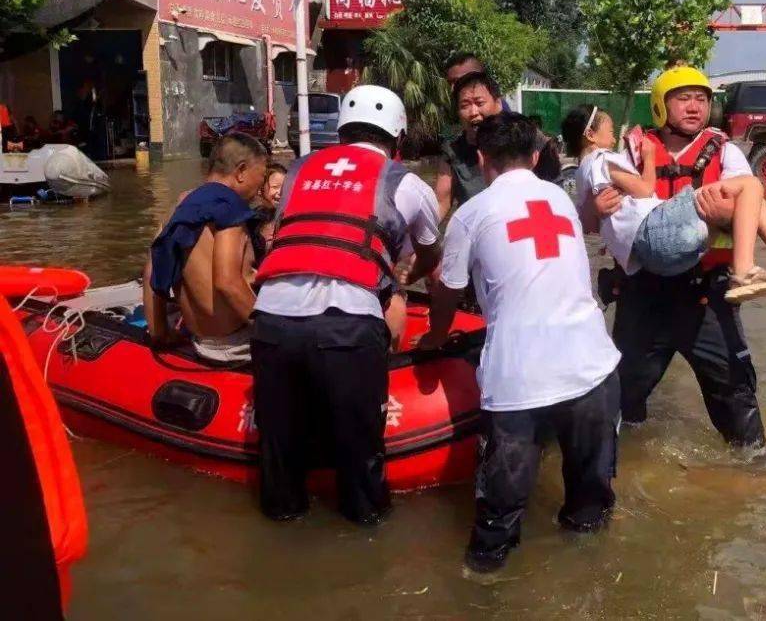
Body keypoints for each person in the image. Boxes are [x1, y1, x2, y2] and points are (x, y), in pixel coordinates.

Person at [419, 113, 621, 574]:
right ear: (535, 156)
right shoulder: (560, 198)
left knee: (497, 522)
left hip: (517, 383)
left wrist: (433, 339)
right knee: (591, 509)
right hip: (593, 369)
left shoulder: (470, 214)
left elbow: (447, 292)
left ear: (481, 158)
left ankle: (483, 586)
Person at [591, 66, 766, 453]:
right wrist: (596, 207)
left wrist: (722, 215)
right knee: (623, 401)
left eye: (702, 99)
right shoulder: (632, 150)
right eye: (683, 98)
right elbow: (594, 223)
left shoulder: (724, 151)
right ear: (661, 105)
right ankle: (619, 471)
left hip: (705, 293)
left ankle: (754, 471)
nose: (694, 107)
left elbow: (748, 207)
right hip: (644, 294)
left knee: (736, 395)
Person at [251, 86, 442, 525]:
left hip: (272, 320)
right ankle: (366, 544)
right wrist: (402, 277)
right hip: (347, 326)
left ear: (340, 133)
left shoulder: (297, 171)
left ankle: (282, 533)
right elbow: (430, 250)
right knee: (362, 461)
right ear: (398, 137)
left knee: (279, 453)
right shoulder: (405, 181)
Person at [563, 104, 766, 302]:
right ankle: (750, 269)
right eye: (684, 99)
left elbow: (585, 224)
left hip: (660, 261)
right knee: (752, 184)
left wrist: (727, 215)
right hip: (661, 243)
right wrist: (649, 158)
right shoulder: (612, 157)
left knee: (750, 196)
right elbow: (646, 189)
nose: (613, 138)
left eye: (700, 99)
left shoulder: (581, 171)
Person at [144, 134, 268, 364]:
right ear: (241, 171)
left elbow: (152, 274)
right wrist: (272, 333)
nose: (261, 188)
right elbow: (227, 282)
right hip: (237, 343)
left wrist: (160, 334)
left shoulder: (180, 207)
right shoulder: (229, 208)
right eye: (261, 177)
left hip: (201, 343)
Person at [435, 55, 561, 220]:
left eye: (479, 102)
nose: (456, 88)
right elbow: (439, 205)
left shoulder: (530, 139)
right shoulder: (453, 150)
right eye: (451, 83)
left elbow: (557, 201)